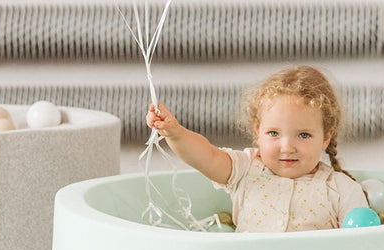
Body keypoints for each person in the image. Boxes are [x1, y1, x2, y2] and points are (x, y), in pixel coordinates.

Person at [146, 65, 369, 232]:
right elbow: (207, 157)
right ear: (258, 133)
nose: (287, 147)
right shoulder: (246, 169)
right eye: (274, 133)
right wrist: (175, 133)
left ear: (325, 138)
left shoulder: (341, 190)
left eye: (303, 135)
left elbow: (361, 245)